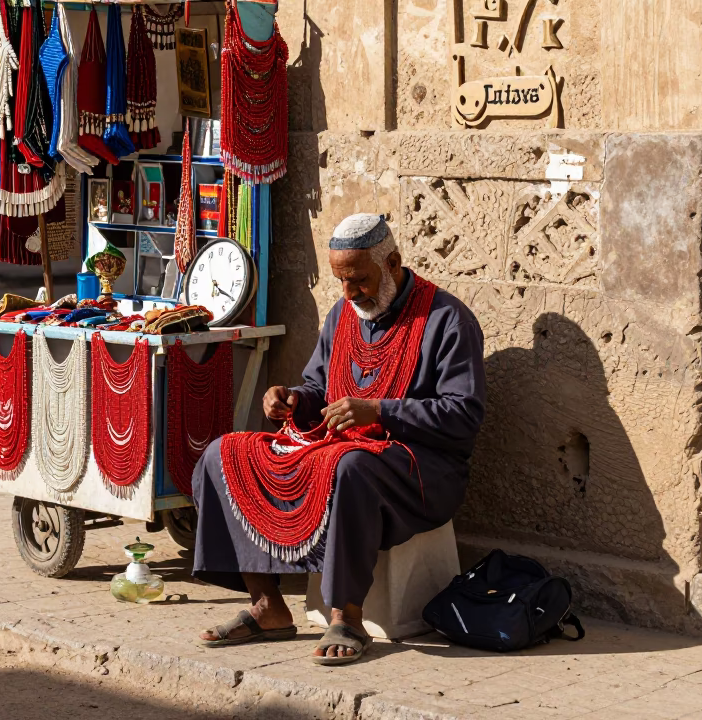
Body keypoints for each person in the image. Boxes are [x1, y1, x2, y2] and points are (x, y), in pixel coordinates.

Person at [190, 213, 486, 665]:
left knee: (348, 467)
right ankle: (267, 605)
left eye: (359, 280)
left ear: (392, 262)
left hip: (421, 467)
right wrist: (291, 399)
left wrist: (380, 410)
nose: (349, 293)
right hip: (339, 447)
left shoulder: (447, 320)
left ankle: (346, 616)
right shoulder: (343, 314)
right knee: (223, 453)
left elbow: (463, 415)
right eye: (340, 282)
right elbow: (318, 388)